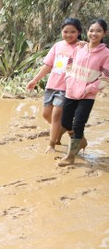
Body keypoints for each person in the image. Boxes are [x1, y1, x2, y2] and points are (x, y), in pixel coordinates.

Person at [26, 18, 83, 153]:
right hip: (52, 85)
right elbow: (48, 65)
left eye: (73, 32)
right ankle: (64, 130)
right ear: (61, 31)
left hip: (67, 88)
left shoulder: (81, 48)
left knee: (56, 115)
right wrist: (34, 80)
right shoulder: (57, 46)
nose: (69, 35)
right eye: (65, 31)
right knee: (46, 114)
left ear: (79, 32)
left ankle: (52, 144)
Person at [58, 18, 109, 167]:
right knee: (65, 122)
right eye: (91, 30)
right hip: (71, 91)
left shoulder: (106, 53)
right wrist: (68, 80)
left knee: (78, 123)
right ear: (87, 32)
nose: (94, 33)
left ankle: (70, 156)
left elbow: (105, 77)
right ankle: (80, 141)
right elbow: (69, 65)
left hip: (87, 95)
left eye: (98, 31)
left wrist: (89, 89)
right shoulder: (79, 48)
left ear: (104, 33)